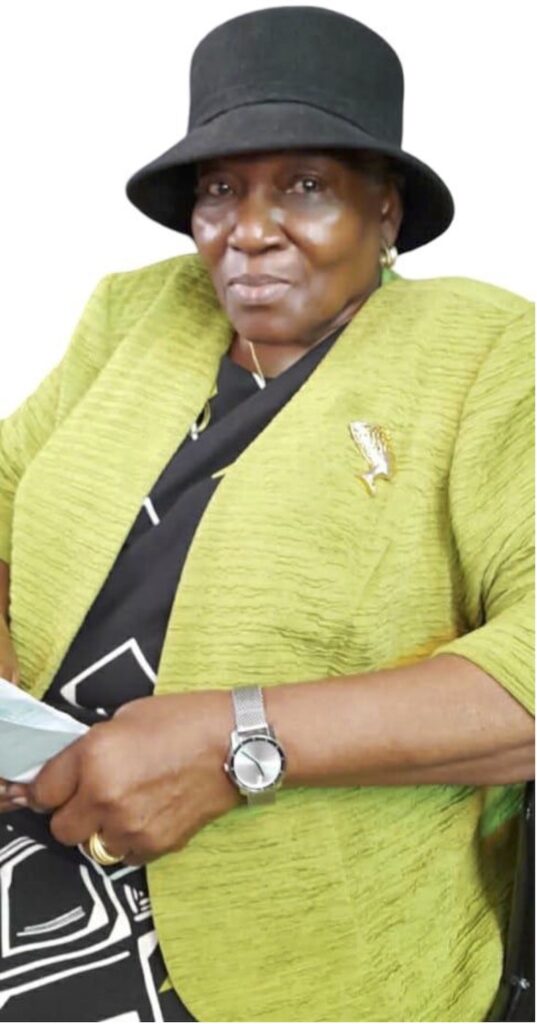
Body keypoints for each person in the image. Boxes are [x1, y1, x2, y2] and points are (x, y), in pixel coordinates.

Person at [0, 6, 534, 1022]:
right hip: (39, 810)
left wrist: (231, 740)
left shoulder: (488, 354)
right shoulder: (137, 311)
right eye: (219, 189)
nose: (247, 231)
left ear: (386, 211)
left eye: (305, 186)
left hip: (286, 919)